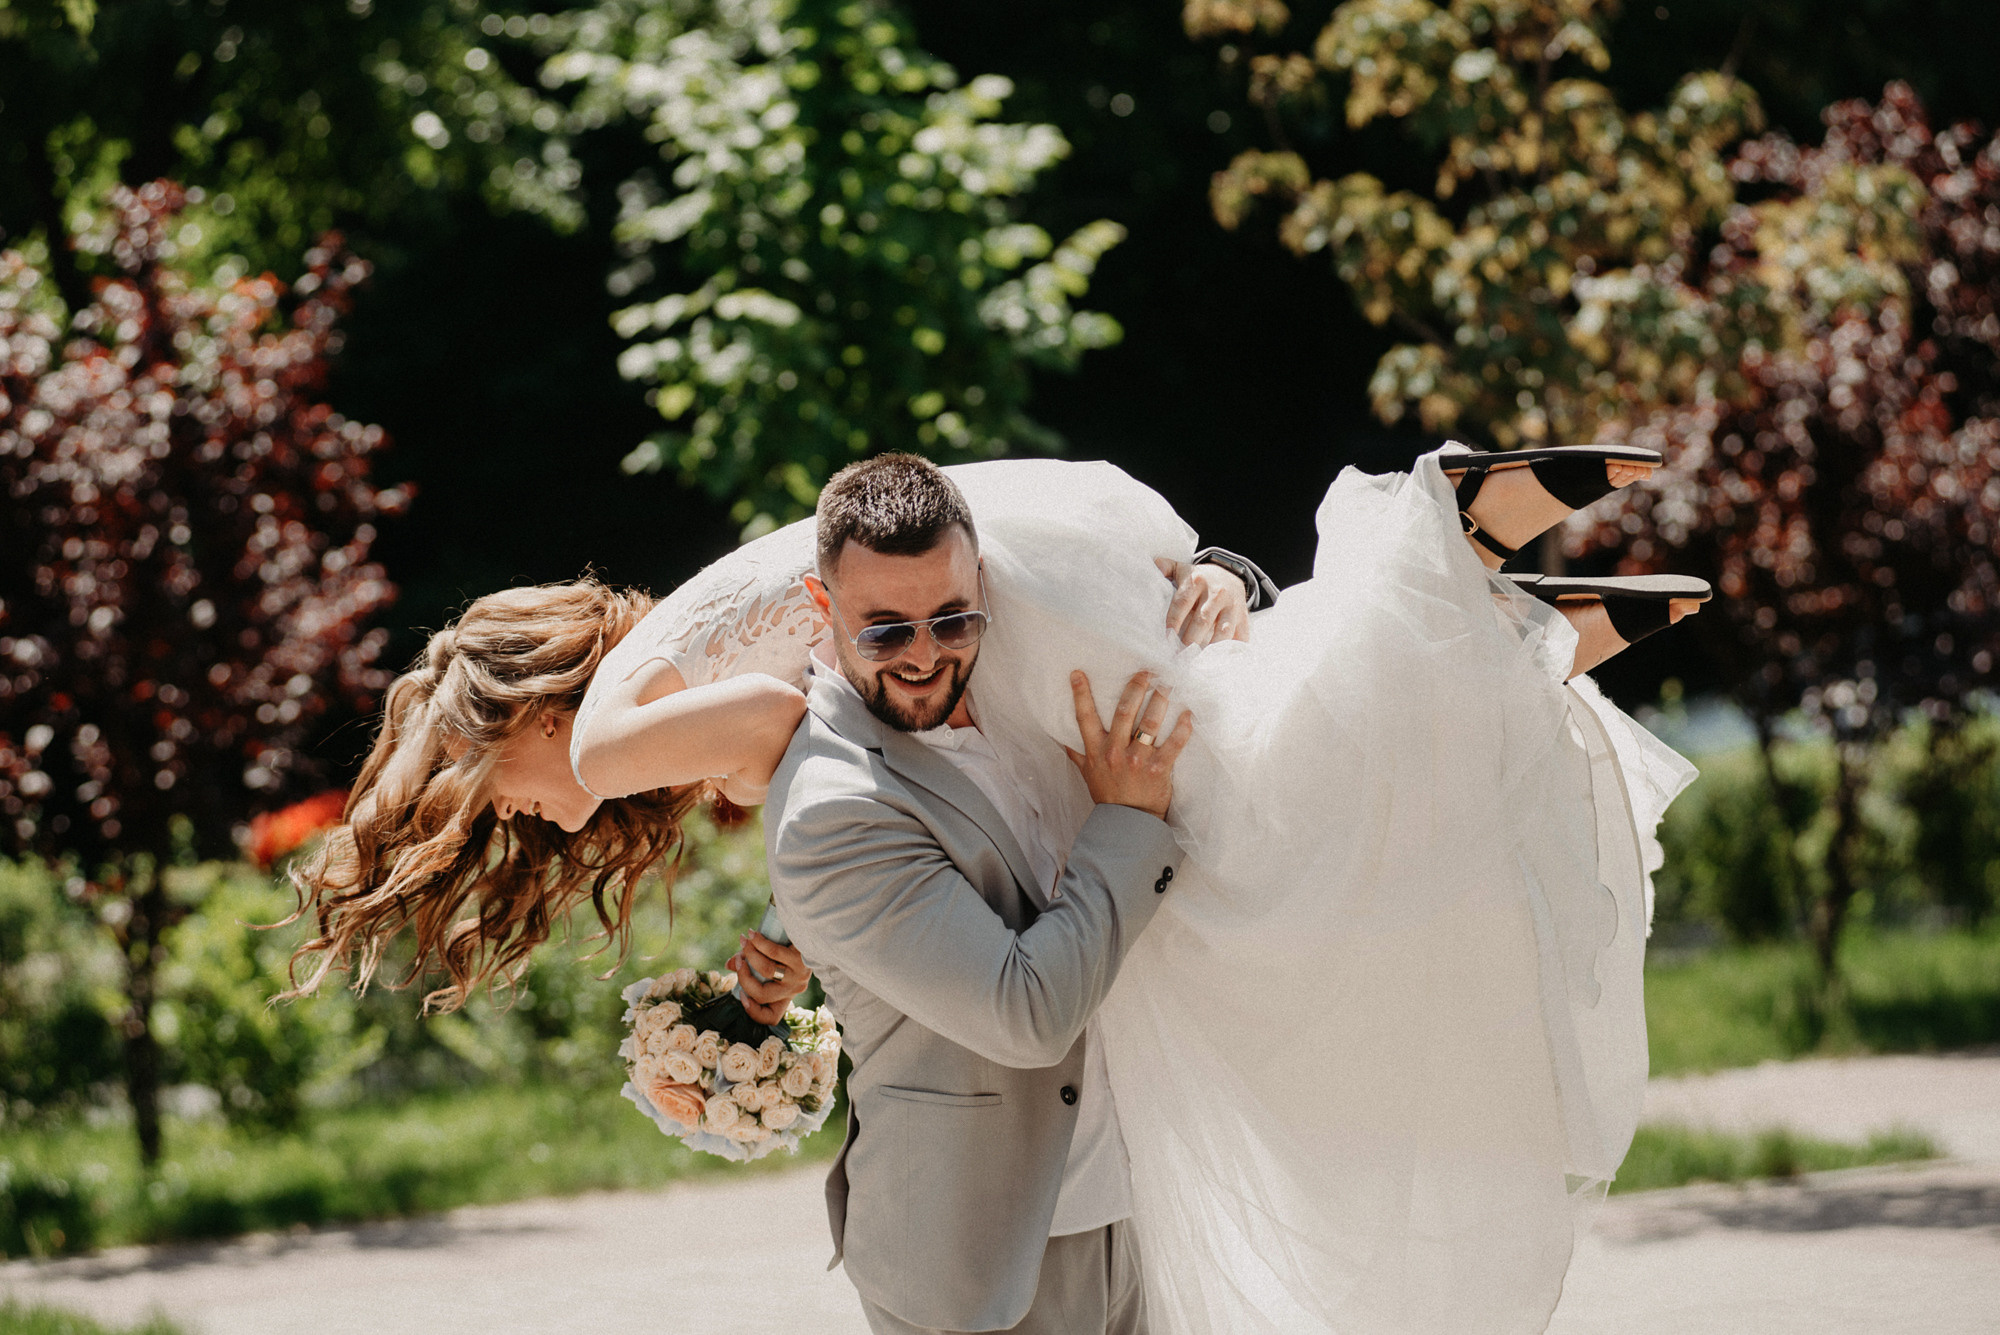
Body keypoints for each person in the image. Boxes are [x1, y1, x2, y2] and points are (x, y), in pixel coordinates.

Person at [571, 449, 1700, 1335]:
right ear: (823, 612)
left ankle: (1469, 617)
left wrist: (1227, 579)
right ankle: (1479, 609)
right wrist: (1125, 820)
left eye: (951, 617)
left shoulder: (1012, 695)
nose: (923, 654)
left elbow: (1199, 711)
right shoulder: (831, 811)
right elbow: (1025, 1011)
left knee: (1294, 842)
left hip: (1131, 1198)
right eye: (885, 630)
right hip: (991, 1262)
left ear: (985, 592)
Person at [282, 502, 1260, 1014]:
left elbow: (782, 722)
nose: (501, 812)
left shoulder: (611, 737)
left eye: (480, 778)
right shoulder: (662, 679)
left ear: (540, 719)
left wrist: (790, 922)